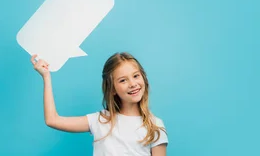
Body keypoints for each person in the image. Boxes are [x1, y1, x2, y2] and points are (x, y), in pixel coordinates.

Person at [30, 52, 168, 156]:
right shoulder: (100, 120)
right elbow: (52, 120)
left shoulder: (155, 125)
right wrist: (46, 77)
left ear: (143, 77)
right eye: (123, 80)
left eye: (136, 76)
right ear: (112, 89)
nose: (132, 84)